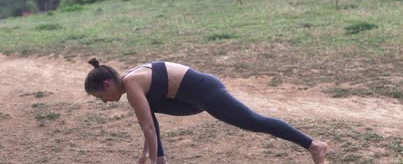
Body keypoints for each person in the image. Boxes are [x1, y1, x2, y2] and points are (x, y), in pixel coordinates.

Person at [84, 58, 328, 164]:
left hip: (205, 93)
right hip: (189, 101)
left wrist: (148, 155)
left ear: (107, 85)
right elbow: (147, 121)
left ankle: (313, 145)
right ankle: (162, 160)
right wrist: (147, 153)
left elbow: (148, 126)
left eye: (100, 97)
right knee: (149, 109)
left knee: (254, 121)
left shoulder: (132, 83)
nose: (104, 102)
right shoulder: (131, 84)